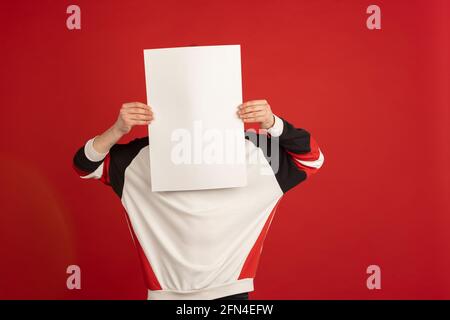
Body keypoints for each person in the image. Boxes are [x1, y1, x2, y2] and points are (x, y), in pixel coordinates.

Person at [72, 100, 324, 300]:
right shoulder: (141, 156)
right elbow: (84, 165)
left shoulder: (255, 150)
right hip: (167, 295)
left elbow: (312, 158)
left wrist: (272, 123)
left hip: (230, 294)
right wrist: (117, 129)